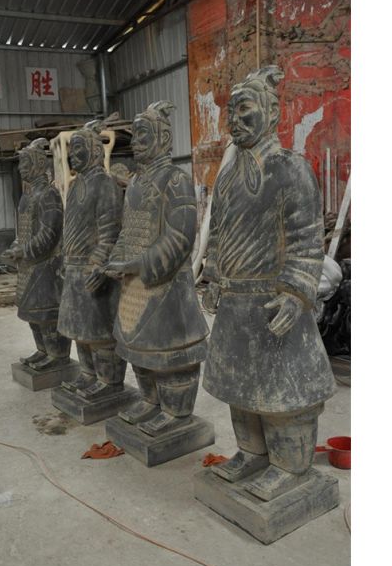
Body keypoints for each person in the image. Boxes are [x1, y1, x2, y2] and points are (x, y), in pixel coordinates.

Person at [202, 67, 337, 501]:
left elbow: (306, 238)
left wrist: (296, 292)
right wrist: (213, 275)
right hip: (236, 303)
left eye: (244, 108)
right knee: (241, 388)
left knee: (283, 395)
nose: (234, 119)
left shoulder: (290, 169)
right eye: (230, 111)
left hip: (275, 305)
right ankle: (251, 454)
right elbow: (218, 233)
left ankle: (289, 467)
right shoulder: (227, 176)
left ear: (272, 113)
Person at [103, 101, 209, 436]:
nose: (135, 142)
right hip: (135, 286)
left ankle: (176, 411)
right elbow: (127, 230)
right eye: (135, 135)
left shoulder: (175, 180)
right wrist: (116, 259)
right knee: (139, 350)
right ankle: (150, 401)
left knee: (169, 353)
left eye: (143, 135)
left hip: (167, 288)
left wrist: (140, 263)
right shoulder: (135, 182)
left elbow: (181, 236)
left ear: (163, 138)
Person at [57, 120, 127, 399]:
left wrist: (97, 265)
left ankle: (109, 381)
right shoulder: (75, 186)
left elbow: (111, 234)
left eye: (78, 149)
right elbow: (69, 226)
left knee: (100, 333)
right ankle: (87, 374)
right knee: (79, 329)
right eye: (71, 150)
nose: (72, 156)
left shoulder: (106, 184)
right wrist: (65, 258)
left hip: (94, 271)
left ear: (94, 151)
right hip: (74, 268)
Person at [2, 138, 70, 371]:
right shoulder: (27, 196)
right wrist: (15, 247)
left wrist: (24, 251)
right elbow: (23, 232)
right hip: (28, 265)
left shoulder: (48, 195)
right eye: (20, 164)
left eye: (24, 163)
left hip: (46, 266)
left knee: (47, 315)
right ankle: (42, 350)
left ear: (38, 164)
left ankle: (57, 355)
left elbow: (49, 234)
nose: (20, 169)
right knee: (32, 314)